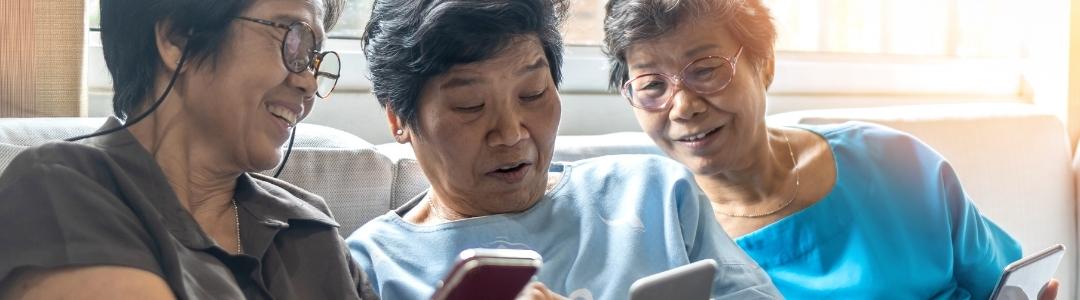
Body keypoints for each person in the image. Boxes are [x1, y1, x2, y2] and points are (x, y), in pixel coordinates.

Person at [602, 0, 1059, 298]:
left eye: (705, 69)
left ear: (764, 65)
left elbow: (1003, 282)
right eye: (652, 85)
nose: (682, 107)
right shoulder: (663, 242)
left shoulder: (897, 163)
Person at [345, 0, 781, 299]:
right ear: (399, 119)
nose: (511, 133)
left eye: (533, 93)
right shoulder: (369, 266)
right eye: (469, 107)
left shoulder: (654, 193)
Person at [0, 0, 377, 298]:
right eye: (295, 41)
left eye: (315, 59)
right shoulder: (59, 187)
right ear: (178, 38)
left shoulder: (311, 228)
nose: (309, 83)